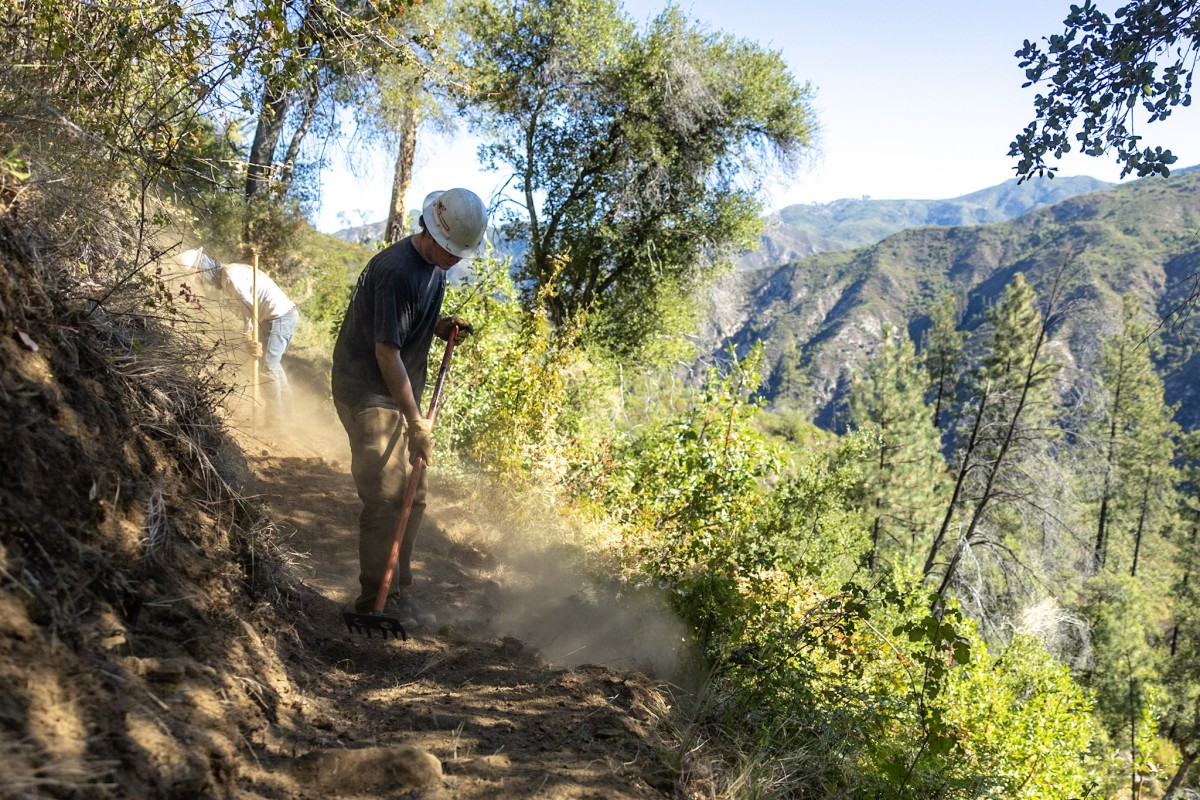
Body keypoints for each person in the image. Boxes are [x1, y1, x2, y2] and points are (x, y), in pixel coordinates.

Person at [331, 188, 485, 629]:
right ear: (431, 230)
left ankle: (396, 590)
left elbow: (404, 319)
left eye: (461, 253)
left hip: (399, 393)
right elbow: (386, 352)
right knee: (385, 495)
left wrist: (439, 326)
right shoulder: (398, 270)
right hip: (367, 391)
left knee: (413, 494)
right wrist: (416, 420)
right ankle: (371, 602)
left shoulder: (433, 267)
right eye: (451, 249)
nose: (455, 259)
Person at [180, 248, 299, 428]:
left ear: (202, 268)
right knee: (272, 365)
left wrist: (248, 334)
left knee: (267, 369)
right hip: (281, 316)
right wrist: (249, 332)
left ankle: (276, 423)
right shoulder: (231, 271)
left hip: (278, 318)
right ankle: (289, 415)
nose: (199, 280)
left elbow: (248, 306)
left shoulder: (229, 276)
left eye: (197, 276)